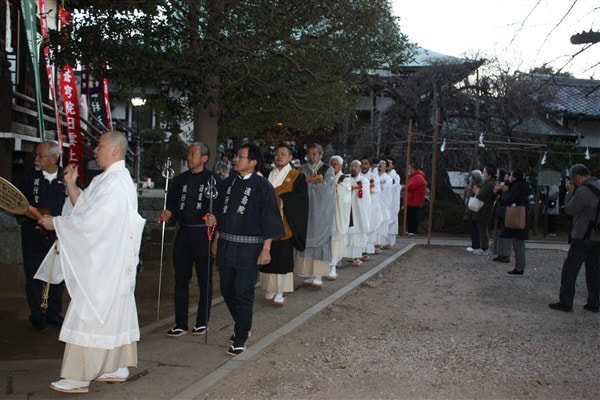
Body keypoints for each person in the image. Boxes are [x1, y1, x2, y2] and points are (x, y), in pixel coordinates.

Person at [37, 131, 146, 393]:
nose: (94, 150)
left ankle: (79, 376)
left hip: (105, 263)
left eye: (99, 145)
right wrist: (72, 185)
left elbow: (93, 222)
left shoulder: (116, 183)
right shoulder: (106, 180)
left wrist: (56, 223)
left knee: (89, 314)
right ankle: (113, 366)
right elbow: (84, 209)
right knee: (110, 314)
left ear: (115, 151)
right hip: (106, 261)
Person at [210, 142, 283, 355]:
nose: (236, 159)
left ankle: (241, 334)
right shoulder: (227, 183)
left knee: (243, 291)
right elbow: (220, 214)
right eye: (237, 156)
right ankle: (242, 322)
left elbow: (269, 219)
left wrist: (266, 248)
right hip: (226, 243)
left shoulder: (263, 187)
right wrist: (215, 236)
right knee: (227, 289)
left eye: (241, 157)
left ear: (252, 162)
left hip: (249, 248)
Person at [159, 142, 220, 337]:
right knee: (181, 278)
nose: (190, 157)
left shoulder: (214, 180)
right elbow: (174, 208)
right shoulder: (179, 181)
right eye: (189, 153)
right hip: (184, 232)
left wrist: (215, 220)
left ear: (204, 158)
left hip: (204, 234)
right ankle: (181, 322)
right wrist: (168, 214)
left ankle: (202, 321)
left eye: (194, 154)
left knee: (205, 279)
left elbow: (219, 209)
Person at [15, 140, 66, 331]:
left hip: (59, 235)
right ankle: (36, 314)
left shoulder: (67, 178)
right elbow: (18, 204)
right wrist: (34, 216)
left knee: (57, 276)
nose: (36, 159)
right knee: (34, 274)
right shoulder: (28, 178)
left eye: (40, 156)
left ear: (53, 158)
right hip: (33, 235)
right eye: (36, 155)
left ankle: (54, 313)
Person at [260, 144, 308, 306]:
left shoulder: (296, 176)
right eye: (277, 154)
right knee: (268, 256)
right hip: (267, 222)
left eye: (283, 154)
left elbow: (300, 200)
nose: (279, 156)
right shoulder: (268, 174)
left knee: (282, 257)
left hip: (285, 223)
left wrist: (281, 200)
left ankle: (281, 291)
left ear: (289, 158)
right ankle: (270, 288)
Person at [549, 164, 599, 312]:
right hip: (597, 236)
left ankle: (566, 302)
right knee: (594, 271)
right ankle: (594, 303)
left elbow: (570, 210)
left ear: (577, 176)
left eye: (573, 179)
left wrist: (570, 193)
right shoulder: (598, 185)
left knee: (570, 269)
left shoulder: (583, 191)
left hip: (583, 235)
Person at [295, 144, 336, 288]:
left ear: (321, 155)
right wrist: (310, 185)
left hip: (321, 211)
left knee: (320, 241)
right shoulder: (303, 169)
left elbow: (327, 189)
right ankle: (307, 273)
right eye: (309, 154)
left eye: (314, 154)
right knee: (305, 240)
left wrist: (307, 186)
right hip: (305, 211)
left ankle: (318, 275)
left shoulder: (327, 170)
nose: (311, 157)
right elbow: (296, 187)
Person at [497, 169, 532, 276]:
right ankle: (520, 267)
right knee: (519, 243)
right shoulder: (525, 186)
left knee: (518, 243)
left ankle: (519, 268)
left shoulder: (516, 187)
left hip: (516, 216)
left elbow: (508, 201)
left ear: (515, 177)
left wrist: (502, 193)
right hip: (523, 216)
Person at [328, 155, 352, 280]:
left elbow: (345, 197)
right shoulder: (327, 177)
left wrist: (336, 190)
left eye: (335, 164)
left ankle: (333, 267)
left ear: (341, 166)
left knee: (336, 240)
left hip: (337, 214)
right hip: (327, 214)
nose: (333, 166)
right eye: (331, 164)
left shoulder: (345, 179)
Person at [345, 160, 371, 266]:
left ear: (359, 168)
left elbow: (364, 192)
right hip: (347, 208)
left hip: (358, 210)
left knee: (357, 233)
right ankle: (346, 255)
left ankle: (356, 256)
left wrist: (353, 188)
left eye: (356, 166)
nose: (354, 168)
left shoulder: (364, 180)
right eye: (352, 166)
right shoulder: (346, 178)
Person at [472, 164, 497, 255]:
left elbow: (481, 195)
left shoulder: (489, 184)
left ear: (489, 174)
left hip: (484, 209)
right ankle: (483, 247)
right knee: (482, 228)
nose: (483, 174)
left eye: (484, 172)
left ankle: (484, 247)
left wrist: (477, 192)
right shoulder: (490, 183)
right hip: (484, 209)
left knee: (483, 229)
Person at [360, 156, 382, 255]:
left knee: (370, 226)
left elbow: (376, 191)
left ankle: (367, 250)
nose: (364, 166)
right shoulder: (356, 175)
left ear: (369, 165)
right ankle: (359, 251)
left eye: (366, 163)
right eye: (362, 163)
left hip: (370, 206)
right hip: (359, 205)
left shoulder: (374, 177)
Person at [491, 168, 511, 263]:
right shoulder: (501, 190)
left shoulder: (508, 193)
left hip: (504, 215)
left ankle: (505, 254)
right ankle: (500, 253)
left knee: (505, 236)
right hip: (499, 214)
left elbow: (505, 202)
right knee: (498, 234)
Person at [402, 162, 427, 236]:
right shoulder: (414, 177)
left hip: (414, 201)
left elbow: (411, 187)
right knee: (410, 216)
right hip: (412, 200)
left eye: (409, 169)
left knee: (412, 216)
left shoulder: (418, 177)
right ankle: (410, 230)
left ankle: (412, 231)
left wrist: (403, 187)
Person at [463, 169, 483, 251]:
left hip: (474, 210)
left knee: (474, 228)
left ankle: (475, 245)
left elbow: (474, 196)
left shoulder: (477, 185)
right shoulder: (477, 184)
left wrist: (469, 192)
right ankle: (475, 245)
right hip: (473, 209)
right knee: (474, 228)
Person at [384, 158, 401, 248]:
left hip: (392, 201)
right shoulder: (382, 175)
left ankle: (389, 241)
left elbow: (395, 188)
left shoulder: (395, 176)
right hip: (385, 200)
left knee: (392, 218)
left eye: (390, 163)